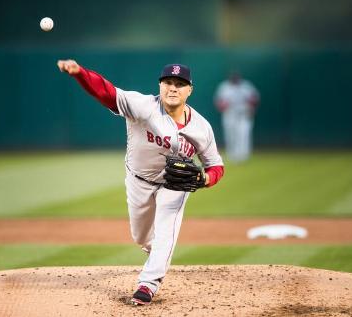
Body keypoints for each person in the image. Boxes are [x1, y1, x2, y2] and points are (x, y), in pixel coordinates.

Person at [57, 60, 224, 305]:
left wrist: (205, 178)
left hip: (173, 185)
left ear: (190, 90)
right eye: (168, 82)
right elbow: (107, 92)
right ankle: (157, 253)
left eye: (180, 84)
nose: (173, 88)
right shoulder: (143, 106)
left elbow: (216, 165)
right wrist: (80, 73)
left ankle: (148, 284)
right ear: (160, 85)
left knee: (166, 230)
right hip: (138, 180)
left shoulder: (202, 127)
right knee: (141, 237)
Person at [214, 71, 260, 163]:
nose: (235, 79)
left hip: (244, 113)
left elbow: (255, 98)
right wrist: (223, 105)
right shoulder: (224, 87)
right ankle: (232, 155)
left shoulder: (246, 86)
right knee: (230, 134)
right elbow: (219, 102)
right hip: (230, 113)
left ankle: (243, 155)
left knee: (243, 134)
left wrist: (252, 107)